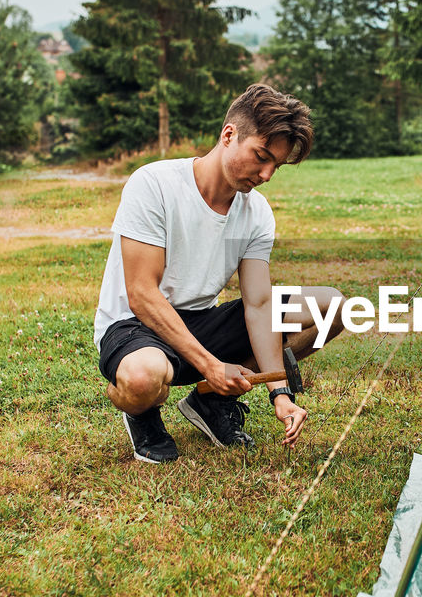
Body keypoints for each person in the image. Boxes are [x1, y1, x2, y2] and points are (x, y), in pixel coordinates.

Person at [93, 83, 344, 463]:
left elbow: (259, 306)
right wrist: (211, 365)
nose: (267, 174)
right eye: (261, 156)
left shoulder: (256, 213)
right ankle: (138, 410)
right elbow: (142, 293)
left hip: (199, 323)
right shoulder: (155, 184)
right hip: (135, 324)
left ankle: (210, 403)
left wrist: (279, 392)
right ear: (229, 134)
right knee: (143, 376)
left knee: (334, 307)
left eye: (276, 165)